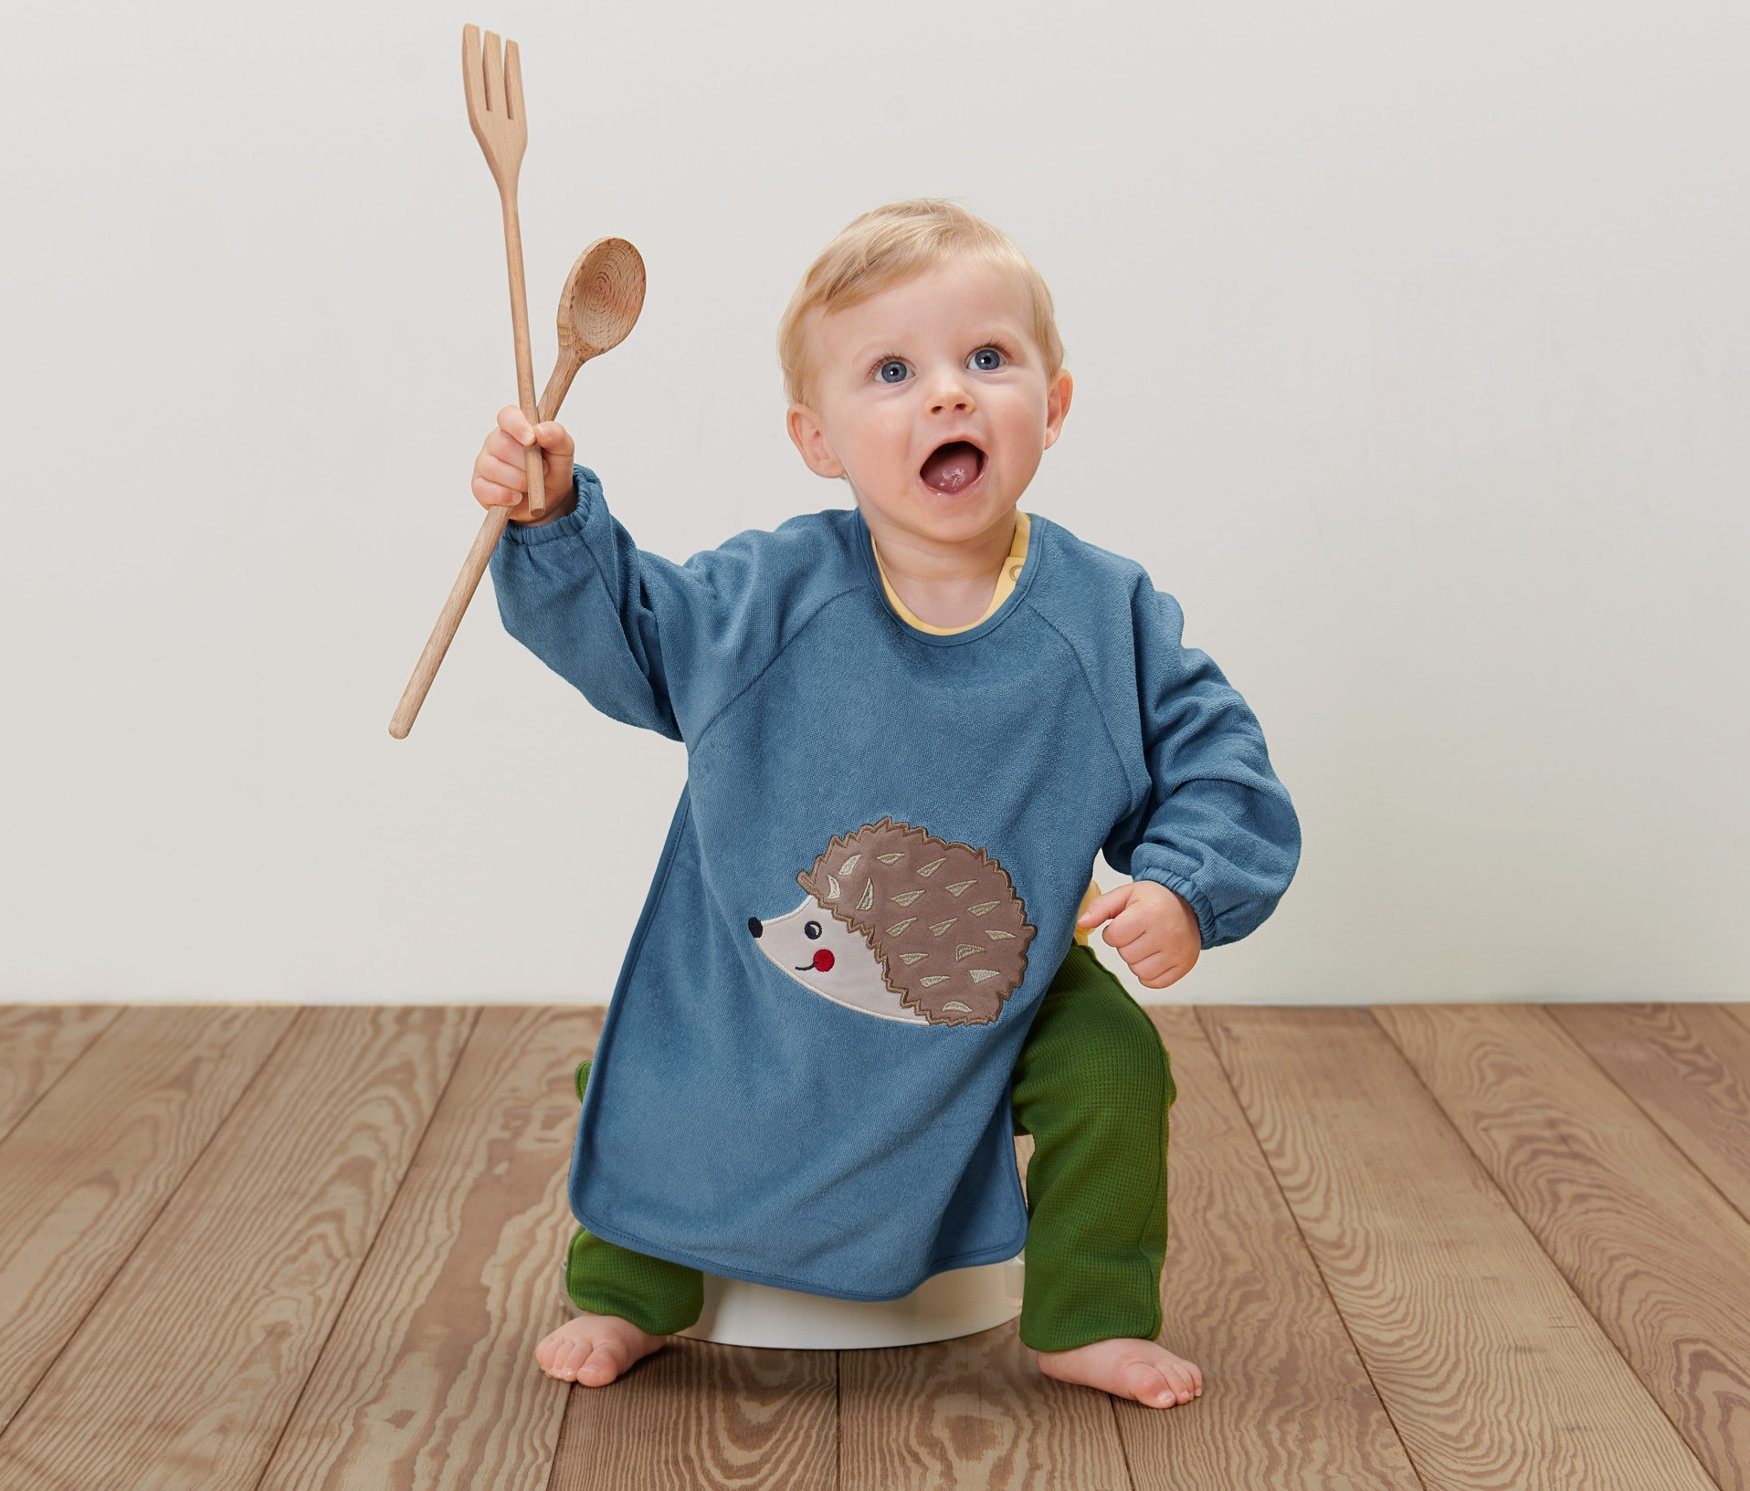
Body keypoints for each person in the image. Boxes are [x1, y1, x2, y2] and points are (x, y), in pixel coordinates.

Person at [472, 200, 1300, 1409]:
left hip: (997, 990)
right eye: (893, 371)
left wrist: (1184, 883)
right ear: (819, 440)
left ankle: (1089, 1310)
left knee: (1114, 1064)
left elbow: (1216, 760)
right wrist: (552, 524)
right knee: (651, 1064)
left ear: (1052, 406)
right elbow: (634, 635)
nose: (948, 396)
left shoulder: (1104, 616)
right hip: (753, 959)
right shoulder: (770, 593)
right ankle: (629, 1286)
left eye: (987, 360)